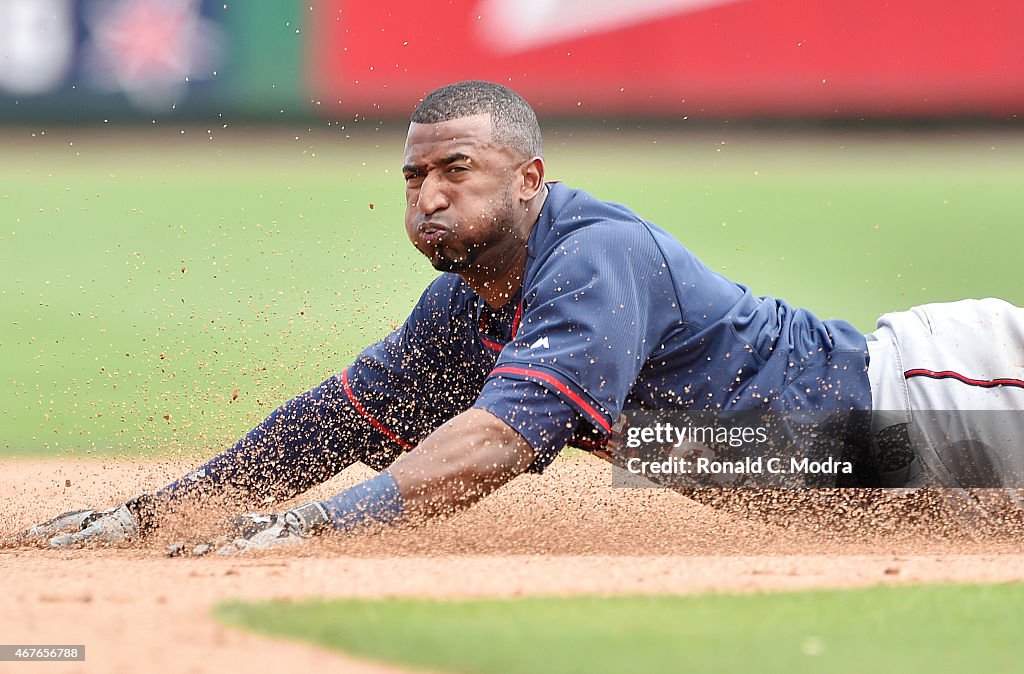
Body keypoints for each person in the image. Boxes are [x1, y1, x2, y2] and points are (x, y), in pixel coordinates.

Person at [21, 81, 1024, 554]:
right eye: (413, 175)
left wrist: (309, 525)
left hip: (938, 390)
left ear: (530, 178)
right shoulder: (460, 311)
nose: (429, 196)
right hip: (866, 461)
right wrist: (157, 510)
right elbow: (334, 420)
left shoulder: (595, 258)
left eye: (458, 169)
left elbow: (496, 443)